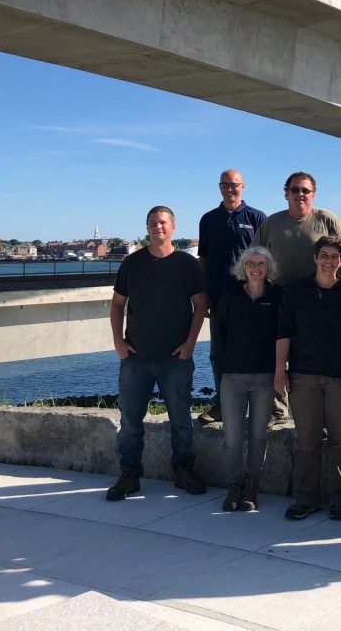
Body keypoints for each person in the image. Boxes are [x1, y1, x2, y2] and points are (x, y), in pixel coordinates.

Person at [106, 206, 207, 501]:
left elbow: (200, 306)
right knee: (130, 422)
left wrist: (191, 343)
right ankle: (129, 475)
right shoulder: (132, 263)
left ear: (173, 227)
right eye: (152, 223)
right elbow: (117, 305)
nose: (157, 227)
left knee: (181, 420)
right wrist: (118, 342)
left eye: (163, 222)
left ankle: (184, 471)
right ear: (147, 227)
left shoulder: (188, 265)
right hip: (135, 358)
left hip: (176, 359)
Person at [275, 235, 341, 521]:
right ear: (315, 258)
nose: (329, 261)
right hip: (303, 375)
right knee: (308, 441)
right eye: (324, 255)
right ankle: (307, 499)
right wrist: (280, 371)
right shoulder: (296, 290)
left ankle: (338, 497)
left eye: (335, 257)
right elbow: (283, 333)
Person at [213, 246, 282, 513]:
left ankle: (252, 484)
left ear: (269, 268)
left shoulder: (277, 296)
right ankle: (234, 485)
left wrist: (279, 371)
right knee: (232, 437)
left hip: (264, 377)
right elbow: (219, 335)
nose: (256, 268)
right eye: (251, 263)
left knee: (258, 436)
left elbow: (282, 335)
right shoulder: (230, 296)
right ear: (243, 267)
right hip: (233, 377)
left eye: (261, 264)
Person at [197, 169, 267, 425]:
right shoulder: (208, 219)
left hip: (251, 298)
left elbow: (265, 259)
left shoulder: (257, 217)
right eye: (225, 185)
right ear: (219, 187)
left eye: (234, 185)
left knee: (257, 350)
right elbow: (203, 259)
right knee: (218, 354)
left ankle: (266, 406)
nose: (230, 189)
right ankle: (222, 403)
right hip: (218, 298)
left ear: (243, 187)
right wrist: (204, 295)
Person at [253, 171, 341, 288]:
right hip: (280, 292)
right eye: (295, 190)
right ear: (287, 194)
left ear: (313, 194)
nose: (300, 194)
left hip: (318, 293)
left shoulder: (328, 219)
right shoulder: (271, 223)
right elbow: (254, 255)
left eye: (305, 190)